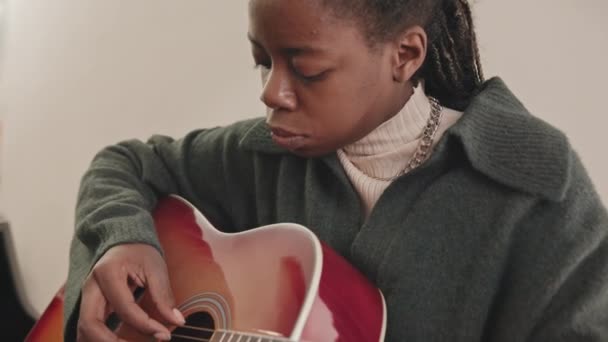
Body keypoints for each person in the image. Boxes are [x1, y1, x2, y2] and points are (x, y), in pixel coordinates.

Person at [65, 0, 608, 341]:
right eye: (263, 60)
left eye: (306, 69)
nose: (270, 92)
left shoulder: (536, 186)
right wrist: (121, 239)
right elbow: (126, 164)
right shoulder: (261, 157)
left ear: (405, 54)